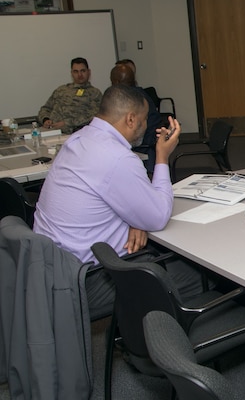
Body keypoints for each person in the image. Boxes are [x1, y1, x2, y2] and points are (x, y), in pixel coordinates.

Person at [33, 84, 200, 317]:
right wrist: (162, 157)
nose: (145, 127)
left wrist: (135, 219)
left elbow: (105, 195)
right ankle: (160, 345)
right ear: (131, 119)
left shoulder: (78, 139)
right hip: (85, 281)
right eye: (143, 121)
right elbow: (158, 216)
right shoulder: (117, 157)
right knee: (200, 275)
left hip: (49, 269)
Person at [110, 62, 162, 172]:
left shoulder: (125, 100)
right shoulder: (141, 95)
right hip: (149, 147)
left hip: (140, 149)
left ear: (116, 82)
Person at [38, 57, 102, 133]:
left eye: (83, 71)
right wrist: (45, 119)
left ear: (89, 72)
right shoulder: (61, 90)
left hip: (76, 133)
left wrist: (67, 123)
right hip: (52, 133)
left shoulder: (94, 93)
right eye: (76, 71)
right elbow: (45, 109)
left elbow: (95, 115)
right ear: (71, 73)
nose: (80, 74)